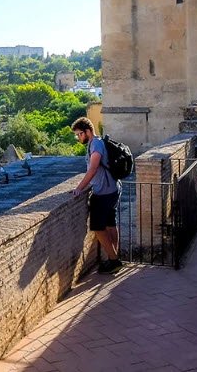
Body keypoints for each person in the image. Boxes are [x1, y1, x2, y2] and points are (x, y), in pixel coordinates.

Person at [71, 117, 124, 275]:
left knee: (97, 227)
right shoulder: (97, 142)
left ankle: (114, 260)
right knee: (110, 224)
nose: (78, 137)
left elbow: (93, 168)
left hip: (104, 192)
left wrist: (79, 188)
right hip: (112, 188)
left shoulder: (96, 145)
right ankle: (113, 257)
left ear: (87, 131)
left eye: (79, 134)